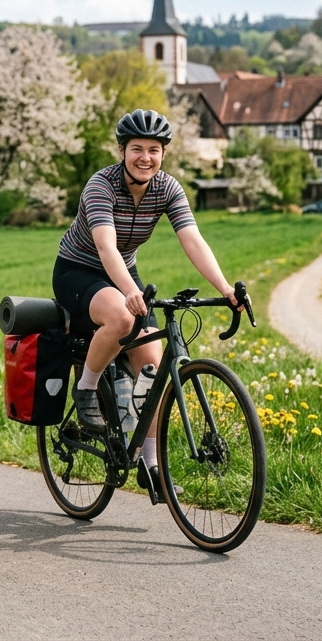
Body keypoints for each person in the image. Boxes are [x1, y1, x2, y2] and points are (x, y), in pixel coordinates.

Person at [53, 108, 236, 496]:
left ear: (163, 154)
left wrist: (225, 288)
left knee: (152, 365)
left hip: (125, 272)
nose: (145, 157)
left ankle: (152, 467)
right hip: (79, 270)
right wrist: (128, 292)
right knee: (121, 319)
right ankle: (86, 388)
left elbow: (192, 240)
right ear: (122, 150)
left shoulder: (168, 189)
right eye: (137, 148)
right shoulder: (101, 185)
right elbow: (105, 246)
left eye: (154, 149)